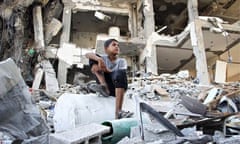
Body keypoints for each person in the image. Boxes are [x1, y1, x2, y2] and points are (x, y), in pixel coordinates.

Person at [85, 39, 132, 119]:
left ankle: (118, 112)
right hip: (106, 84)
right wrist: (99, 60)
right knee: (93, 59)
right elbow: (87, 54)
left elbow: (117, 74)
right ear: (106, 49)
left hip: (117, 88)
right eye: (114, 45)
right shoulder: (103, 58)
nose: (117, 46)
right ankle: (104, 87)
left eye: (118, 45)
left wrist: (105, 69)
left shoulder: (121, 61)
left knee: (119, 73)